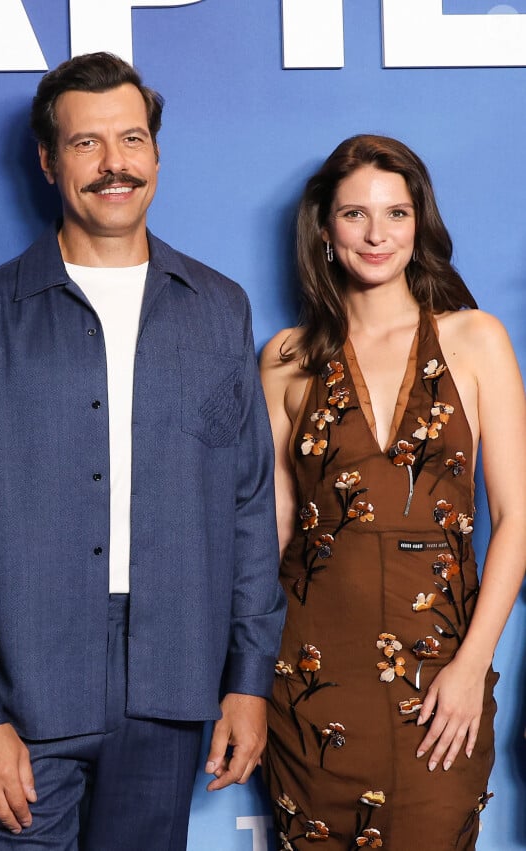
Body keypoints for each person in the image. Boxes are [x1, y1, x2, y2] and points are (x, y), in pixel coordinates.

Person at [0, 52, 286, 851]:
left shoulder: (218, 309)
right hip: (19, 693)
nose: (113, 165)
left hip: (171, 684)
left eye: (131, 139)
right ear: (47, 159)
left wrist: (246, 680)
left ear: (156, 155)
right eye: (85, 144)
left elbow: (244, 505)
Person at [260, 134, 525, 849]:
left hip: (440, 678)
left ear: (420, 223)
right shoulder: (286, 359)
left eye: (396, 213)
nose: (377, 235)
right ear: (324, 230)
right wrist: (242, 687)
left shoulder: (475, 339)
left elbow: (517, 517)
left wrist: (470, 668)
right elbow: (272, 536)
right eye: (355, 215)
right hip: (308, 682)